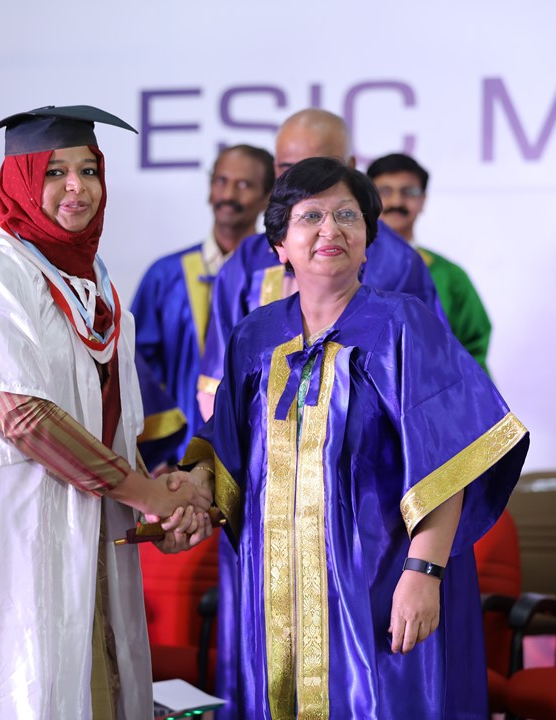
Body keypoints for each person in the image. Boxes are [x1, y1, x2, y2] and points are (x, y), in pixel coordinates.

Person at [0, 104, 213, 719]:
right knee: (19, 688)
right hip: (4, 537)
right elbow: (23, 417)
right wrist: (149, 494)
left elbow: (106, 419)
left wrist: (160, 501)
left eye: (89, 170)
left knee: (90, 683)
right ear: (19, 178)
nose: (77, 188)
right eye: (54, 172)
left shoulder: (92, 281)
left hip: (81, 524)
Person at [180, 156, 530, 719]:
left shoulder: (404, 325)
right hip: (280, 590)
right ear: (280, 245)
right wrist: (187, 495)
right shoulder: (254, 338)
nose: (331, 229)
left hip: (381, 583)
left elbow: (450, 460)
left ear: (368, 241)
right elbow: (225, 451)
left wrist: (423, 573)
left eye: (347, 215)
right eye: (310, 216)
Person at [196, 108, 447, 422]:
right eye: (289, 168)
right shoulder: (248, 260)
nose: (304, 180)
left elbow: (429, 387)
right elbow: (218, 386)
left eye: (320, 167)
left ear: (350, 167)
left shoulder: (399, 262)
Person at [131, 143, 275, 471]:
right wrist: (157, 452)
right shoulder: (165, 275)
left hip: (259, 454)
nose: (228, 195)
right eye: (221, 181)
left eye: (244, 184)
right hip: (176, 456)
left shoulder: (278, 276)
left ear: (267, 197)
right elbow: (137, 367)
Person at [367, 152, 493, 374]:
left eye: (408, 192)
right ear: (368, 200)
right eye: (385, 191)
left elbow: (473, 346)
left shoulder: (449, 275)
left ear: (423, 200)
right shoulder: (349, 269)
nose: (396, 202)